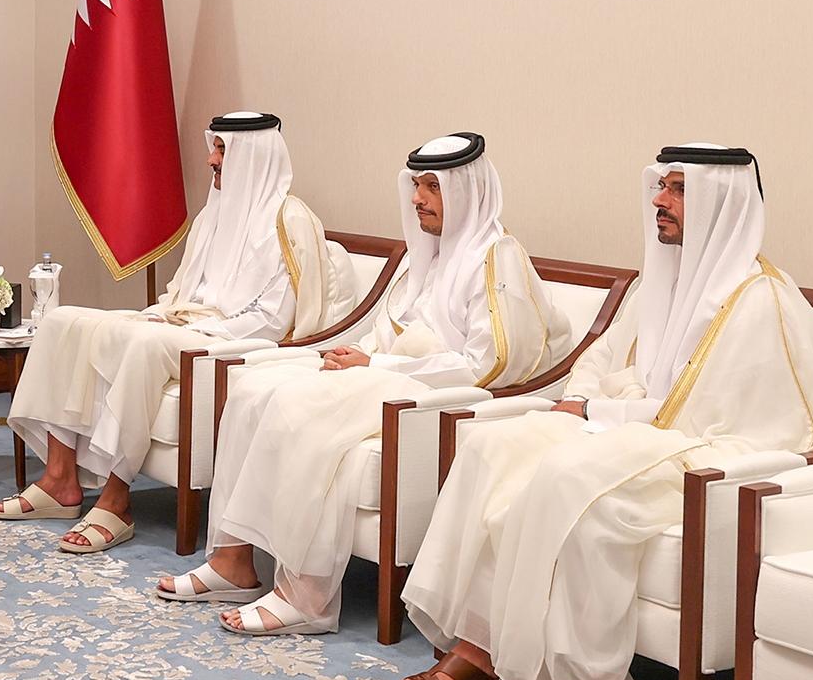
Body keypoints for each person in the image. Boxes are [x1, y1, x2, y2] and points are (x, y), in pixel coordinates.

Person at [395, 144, 813, 680]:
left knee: (571, 483)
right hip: (632, 428)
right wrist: (582, 399)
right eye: (662, 186)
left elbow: (710, 417)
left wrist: (602, 411)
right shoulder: (660, 280)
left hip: (713, 454)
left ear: (722, 201)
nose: (659, 199)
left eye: (679, 189)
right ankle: (481, 648)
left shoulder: (760, 300)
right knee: (491, 447)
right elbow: (601, 357)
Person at [166, 133, 571, 634]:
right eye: (416, 186)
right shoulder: (429, 255)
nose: (417, 198)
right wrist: (358, 356)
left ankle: (304, 596)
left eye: (432, 187)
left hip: (432, 392)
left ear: (466, 191)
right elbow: (389, 328)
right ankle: (233, 560)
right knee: (252, 388)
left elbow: (489, 364)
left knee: (300, 409)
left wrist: (378, 364)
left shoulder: (496, 256)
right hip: (387, 374)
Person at [1, 113, 361, 553]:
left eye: (222, 150)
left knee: (144, 344)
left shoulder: (290, 220)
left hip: (234, 340)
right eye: (215, 147)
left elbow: (273, 318)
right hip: (184, 322)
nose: (211, 159)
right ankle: (60, 479)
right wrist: (164, 314)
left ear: (254, 155)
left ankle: (116, 500)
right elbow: (183, 290)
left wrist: (195, 325)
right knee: (64, 321)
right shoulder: (213, 214)